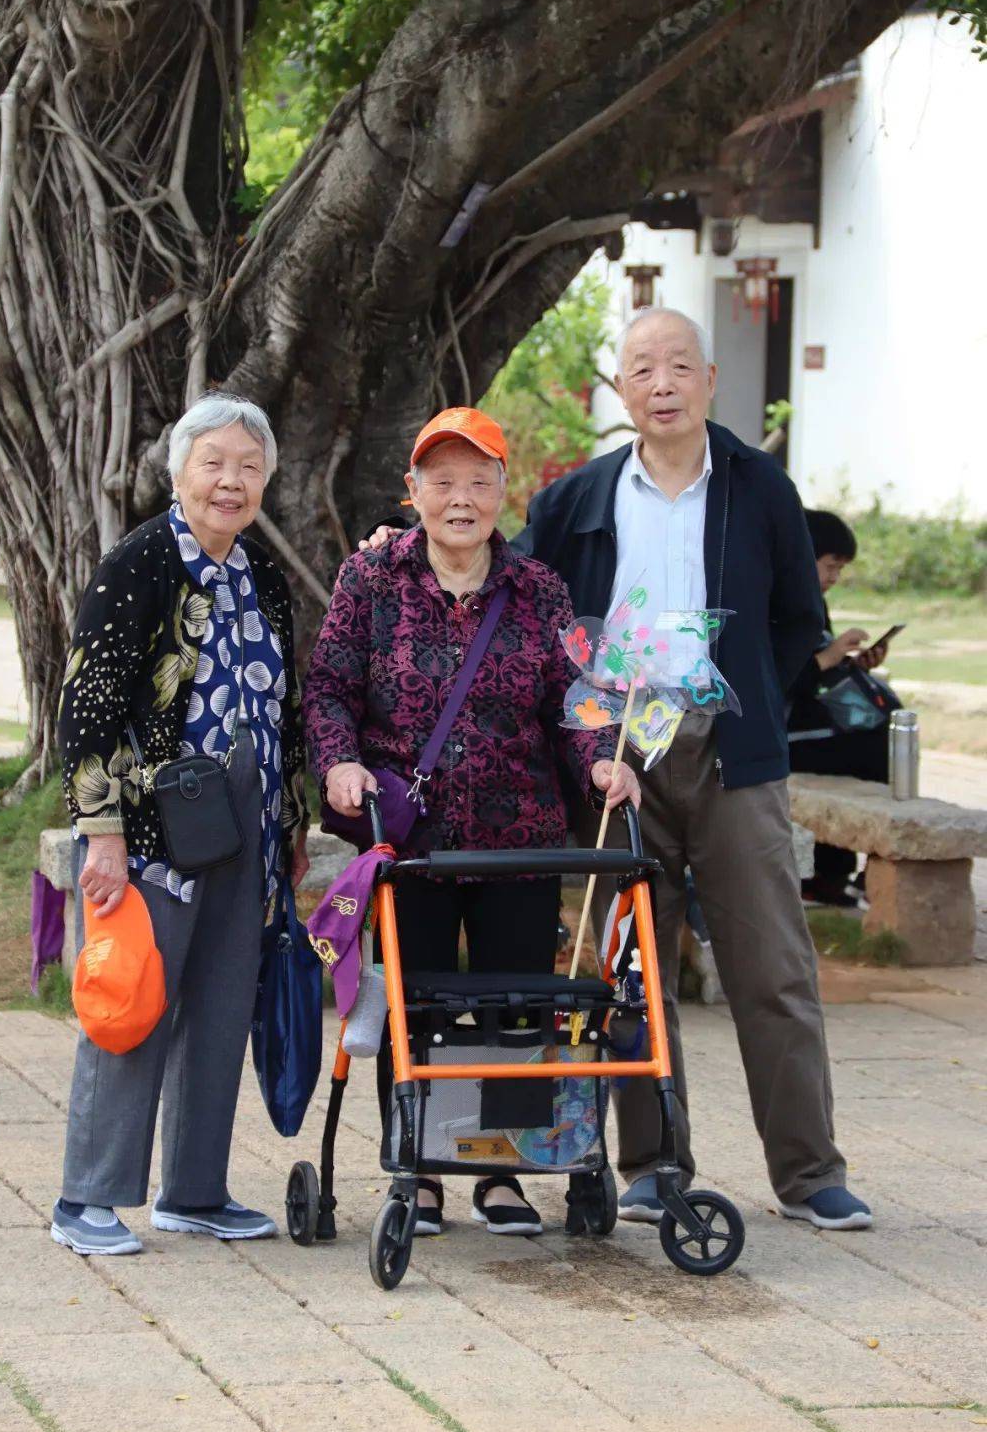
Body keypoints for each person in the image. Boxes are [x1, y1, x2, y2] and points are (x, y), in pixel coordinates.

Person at [362, 310, 873, 1232]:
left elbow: (801, 618)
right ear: (622, 390)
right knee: (629, 969)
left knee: (773, 966)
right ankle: (651, 1164)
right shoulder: (579, 497)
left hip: (730, 753)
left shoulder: (760, 486)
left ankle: (809, 1172)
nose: (662, 384)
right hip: (615, 757)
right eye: (643, 369)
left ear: (710, 379)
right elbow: (501, 581)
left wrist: (747, 689)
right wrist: (391, 545)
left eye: (679, 366)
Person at [304, 407, 639, 1237]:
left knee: (515, 1005)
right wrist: (339, 762)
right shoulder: (370, 578)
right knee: (411, 1003)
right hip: (411, 841)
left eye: (479, 482)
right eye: (444, 481)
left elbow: (575, 699)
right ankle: (417, 1171)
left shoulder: (539, 589)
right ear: (412, 491)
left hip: (518, 838)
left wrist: (600, 759)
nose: (462, 499)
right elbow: (330, 689)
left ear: (502, 491)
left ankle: (500, 1170)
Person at [51, 396, 309, 1257]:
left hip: (248, 818)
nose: (231, 482)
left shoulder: (262, 572)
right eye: (214, 463)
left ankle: (194, 1192)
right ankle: (87, 1198)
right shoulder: (138, 564)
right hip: (152, 823)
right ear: (178, 473)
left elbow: (285, 710)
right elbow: (87, 707)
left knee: (223, 1006)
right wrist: (102, 832)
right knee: (133, 997)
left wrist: (291, 826)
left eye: (249, 467)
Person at [788, 509, 892, 906]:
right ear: (804, 556)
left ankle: (839, 873)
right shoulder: (780, 601)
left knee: (883, 723)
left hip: (808, 719)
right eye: (831, 566)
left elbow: (816, 671)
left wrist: (854, 664)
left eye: (841, 569)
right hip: (782, 729)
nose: (835, 577)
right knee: (872, 743)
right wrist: (830, 656)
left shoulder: (813, 600)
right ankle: (844, 873)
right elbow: (778, 679)